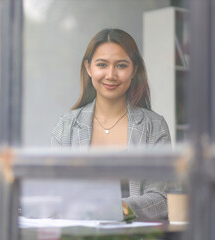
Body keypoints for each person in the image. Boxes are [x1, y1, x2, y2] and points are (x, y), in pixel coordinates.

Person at [51, 28, 171, 220]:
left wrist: (115, 209)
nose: (111, 75)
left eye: (121, 66)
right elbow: (54, 193)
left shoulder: (154, 126)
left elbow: (160, 199)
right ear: (89, 68)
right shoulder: (66, 126)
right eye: (102, 65)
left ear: (134, 70)